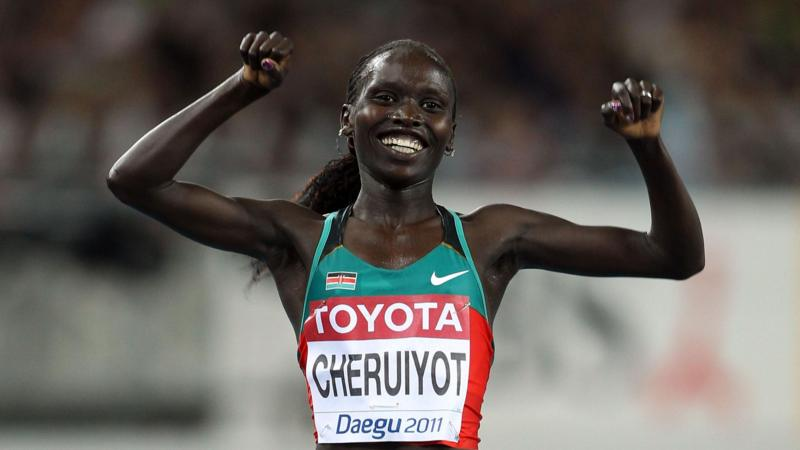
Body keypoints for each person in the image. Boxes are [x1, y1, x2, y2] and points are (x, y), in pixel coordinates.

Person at [107, 30, 704, 450]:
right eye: (385, 97)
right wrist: (241, 88)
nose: (407, 115)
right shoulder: (299, 240)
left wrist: (648, 145)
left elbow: (673, 257)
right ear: (349, 119)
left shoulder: (491, 239)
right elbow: (135, 180)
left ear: (450, 135)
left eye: (431, 105)